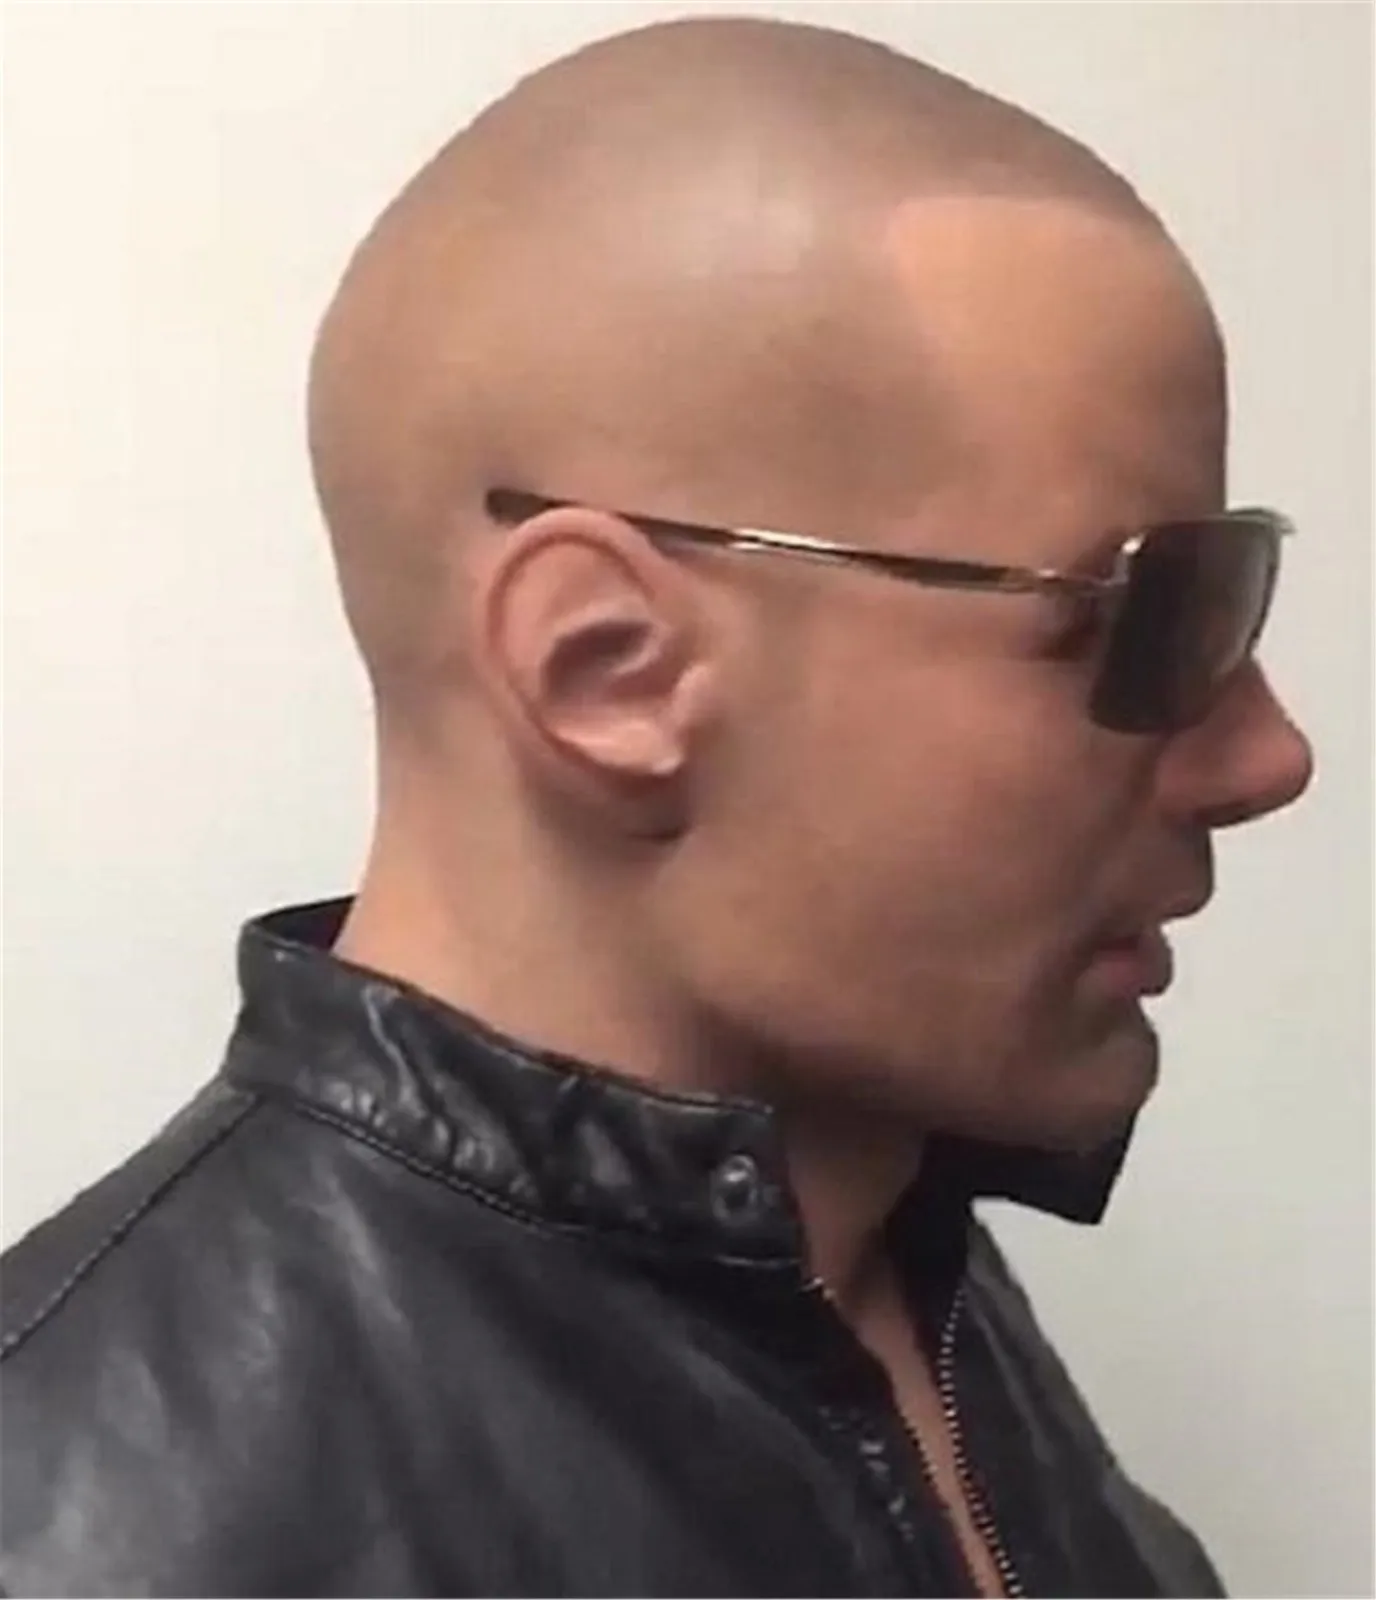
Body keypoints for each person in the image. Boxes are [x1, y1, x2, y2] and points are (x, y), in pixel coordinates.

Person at [1, 15, 1314, 1598]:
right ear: (609, 671)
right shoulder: (109, 1530)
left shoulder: (876, 1257)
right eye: (1143, 618)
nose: (1265, 757)